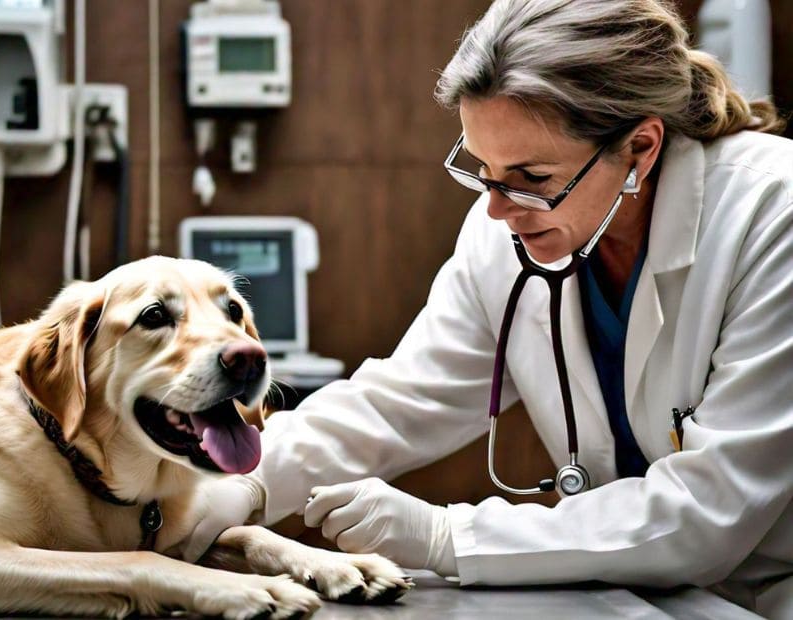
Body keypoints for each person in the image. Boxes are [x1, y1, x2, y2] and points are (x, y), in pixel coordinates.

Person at [177, 0, 792, 616]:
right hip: (645, 591)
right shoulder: (506, 230)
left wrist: (448, 536)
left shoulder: (771, 217)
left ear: (640, 148)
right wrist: (243, 486)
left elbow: (710, 511)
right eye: (484, 170)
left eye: (530, 177)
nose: (497, 210)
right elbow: (400, 401)